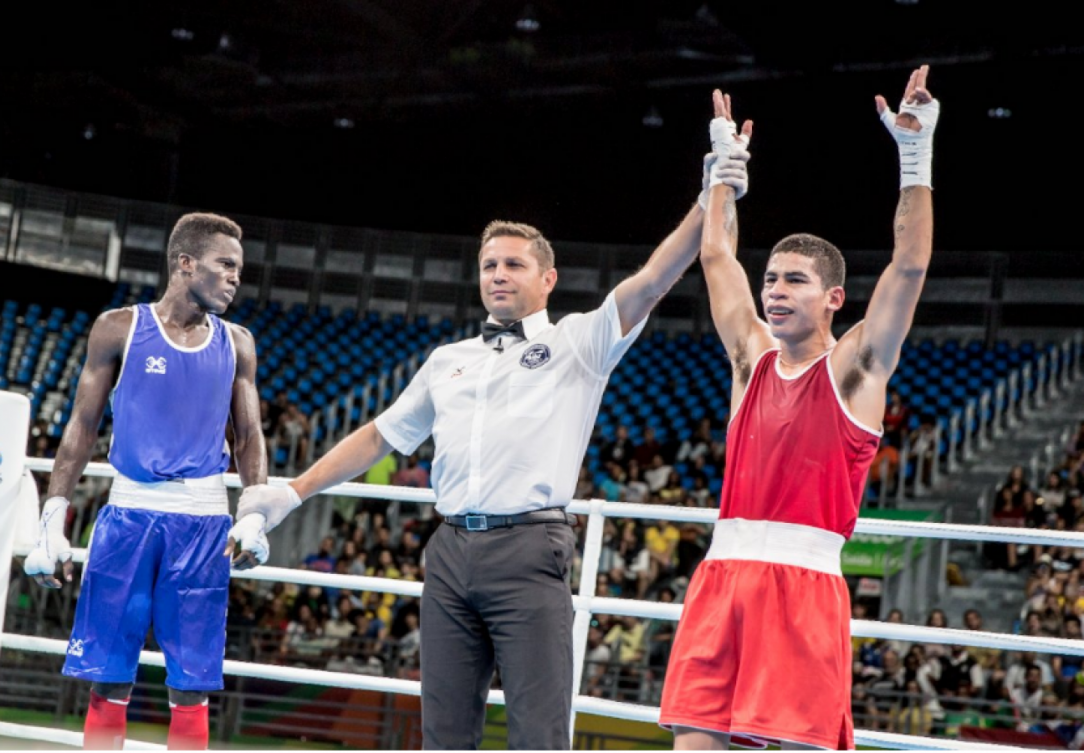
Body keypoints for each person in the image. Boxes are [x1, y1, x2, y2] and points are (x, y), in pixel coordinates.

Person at [231, 115, 752, 749]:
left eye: (513, 264)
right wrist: (293, 492)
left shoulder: (578, 342)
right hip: (449, 552)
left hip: (530, 550)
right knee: (444, 734)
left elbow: (650, 281)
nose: (499, 274)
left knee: (538, 735)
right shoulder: (447, 360)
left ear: (547, 280)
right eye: (489, 265)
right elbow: (379, 436)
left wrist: (709, 197)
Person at [660, 66, 940, 750]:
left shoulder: (853, 370)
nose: (775, 291)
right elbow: (717, 253)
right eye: (772, 279)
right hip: (722, 578)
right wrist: (723, 168)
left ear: (834, 298)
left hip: (803, 587)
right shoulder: (748, 359)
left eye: (795, 280)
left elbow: (908, 267)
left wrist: (915, 155)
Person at [22, 213, 270, 750]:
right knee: (109, 672)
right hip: (127, 513)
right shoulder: (119, 328)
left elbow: (250, 435)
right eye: (225, 264)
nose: (235, 278)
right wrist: (52, 518)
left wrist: (255, 511)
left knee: (192, 683)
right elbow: (82, 426)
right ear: (185, 263)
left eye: (239, 269)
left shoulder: (239, 343)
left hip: (204, 522)